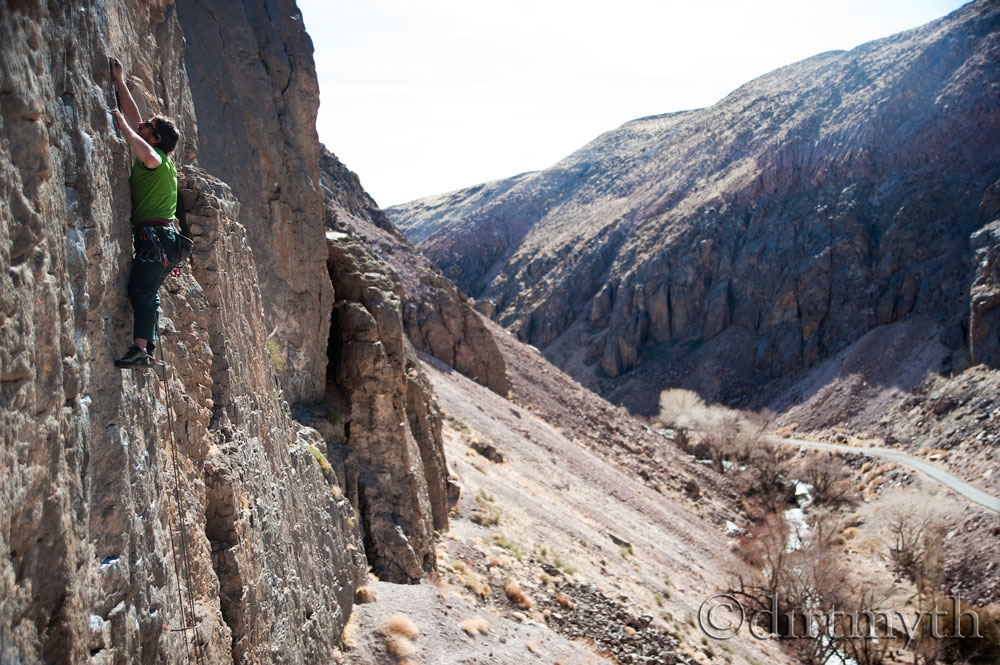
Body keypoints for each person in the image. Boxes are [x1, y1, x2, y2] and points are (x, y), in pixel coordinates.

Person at [109, 57, 181, 369]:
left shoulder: (156, 160)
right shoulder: (163, 160)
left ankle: (141, 348)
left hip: (157, 238)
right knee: (146, 289)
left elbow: (148, 154)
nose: (142, 127)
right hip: (164, 240)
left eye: (148, 128)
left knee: (143, 289)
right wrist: (119, 82)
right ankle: (146, 347)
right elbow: (137, 118)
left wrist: (122, 126)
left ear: (157, 139)